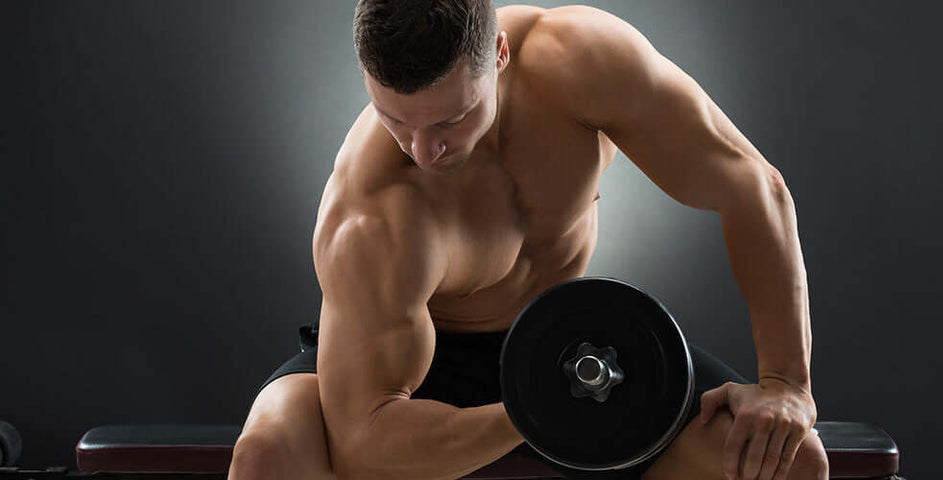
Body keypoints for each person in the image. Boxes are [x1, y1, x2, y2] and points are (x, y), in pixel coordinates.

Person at [228, 2, 828, 480]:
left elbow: (750, 185)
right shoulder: (373, 216)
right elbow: (365, 445)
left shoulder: (579, 61)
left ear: (499, 53)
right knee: (270, 455)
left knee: (791, 461)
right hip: (409, 364)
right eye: (396, 120)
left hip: (569, 344)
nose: (422, 150)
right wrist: (537, 411)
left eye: (449, 120)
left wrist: (785, 384)